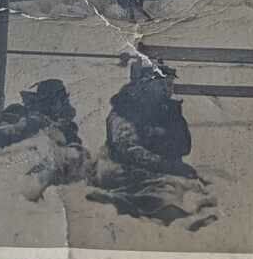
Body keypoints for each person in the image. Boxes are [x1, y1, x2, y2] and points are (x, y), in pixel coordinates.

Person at [86, 61, 217, 230]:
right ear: (146, 84)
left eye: (170, 85)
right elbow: (129, 150)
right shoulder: (125, 110)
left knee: (205, 191)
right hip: (125, 174)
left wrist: (174, 119)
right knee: (168, 199)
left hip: (158, 172)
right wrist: (167, 165)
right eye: (163, 84)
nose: (168, 90)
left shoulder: (165, 110)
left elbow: (184, 147)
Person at [0, 79, 89, 201]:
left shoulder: (66, 127)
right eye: (59, 99)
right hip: (9, 186)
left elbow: (77, 161)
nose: (63, 103)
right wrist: (28, 125)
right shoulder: (17, 112)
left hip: (45, 193)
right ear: (46, 100)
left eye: (63, 99)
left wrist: (61, 144)